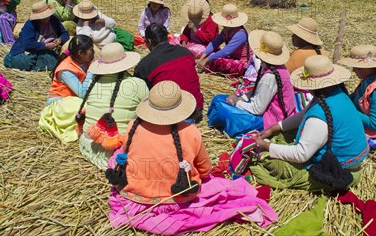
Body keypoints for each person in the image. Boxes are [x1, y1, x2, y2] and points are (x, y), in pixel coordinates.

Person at [105, 81, 277, 235]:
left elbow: (126, 155)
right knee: (219, 187)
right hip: (178, 196)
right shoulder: (190, 131)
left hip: (132, 196)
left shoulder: (133, 126)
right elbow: (205, 170)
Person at [249, 55, 369, 192]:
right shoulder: (335, 93)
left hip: (340, 169)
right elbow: (302, 115)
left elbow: (301, 154)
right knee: (284, 135)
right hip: (352, 159)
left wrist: (265, 146)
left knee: (269, 162)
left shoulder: (319, 116)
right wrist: (273, 129)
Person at [207, 31, 297, 138]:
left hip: (268, 121)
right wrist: (241, 98)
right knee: (218, 99)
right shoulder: (271, 67)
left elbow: (257, 109)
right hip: (264, 111)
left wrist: (236, 103)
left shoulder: (270, 76)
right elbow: (258, 90)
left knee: (221, 107)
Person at [75, 43, 148, 169]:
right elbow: (148, 113)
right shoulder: (137, 84)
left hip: (88, 144)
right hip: (116, 149)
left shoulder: (92, 83)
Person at [134, 24, 204, 123]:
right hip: (196, 108)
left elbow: (140, 93)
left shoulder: (145, 64)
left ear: (149, 42)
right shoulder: (185, 52)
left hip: (171, 117)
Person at [4, 2, 69, 71]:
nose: (45, 19)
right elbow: (27, 44)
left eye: (47, 16)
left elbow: (65, 33)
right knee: (24, 62)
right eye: (42, 17)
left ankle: (38, 65)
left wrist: (60, 39)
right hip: (28, 50)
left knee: (52, 62)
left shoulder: (54, 20)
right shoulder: (30, 24)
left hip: (46, 52)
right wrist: (46, 45)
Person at [195, 4, 250, 78]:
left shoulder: (240, 34)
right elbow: (214, 43)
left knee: (216, 61)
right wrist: (202, 58)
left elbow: (226, 51)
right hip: (231, 58)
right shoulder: (226, 31)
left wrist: (206, 60)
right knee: (210, 55)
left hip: (243, 64)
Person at [47, 34, 95, 105]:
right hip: (60, 103)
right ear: (80, 53)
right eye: (91, 49)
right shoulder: (66, 70)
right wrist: (91, 70)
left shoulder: (84, 62)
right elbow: (83, 93)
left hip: (74, 99)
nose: (93, 52)